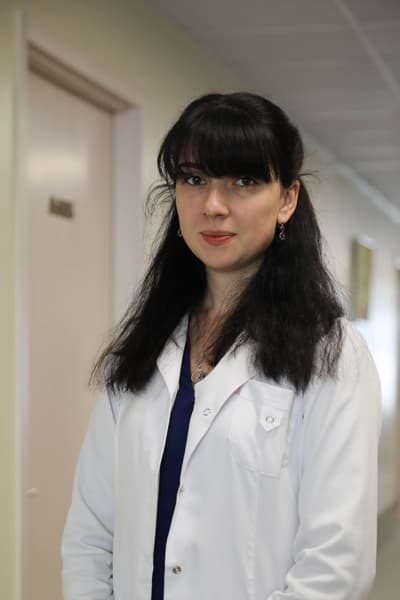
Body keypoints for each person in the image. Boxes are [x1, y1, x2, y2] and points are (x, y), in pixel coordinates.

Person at [61, 92, 381, 600]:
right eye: (194, 179)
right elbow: (90, 531)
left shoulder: (331, 353)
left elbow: (336, 564)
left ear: (287, 200)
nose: (213, 205)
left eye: (244, 181)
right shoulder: (146, 344)